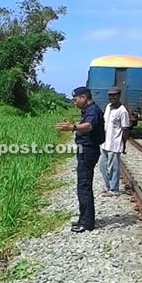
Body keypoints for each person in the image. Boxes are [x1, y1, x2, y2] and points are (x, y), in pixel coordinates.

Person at [55, 86, 104, 233]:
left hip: (88, 151)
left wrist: (73, 127)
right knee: (83, 186)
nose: (75, 102)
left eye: (76, 99)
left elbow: (89, 126)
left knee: (84, 186)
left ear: (84, 97)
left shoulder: (93, 111)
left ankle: (87, 222)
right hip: (86, 151)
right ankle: (84, 218)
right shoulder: (89, 110)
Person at [99, 86, 130, 196]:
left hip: (115, 143)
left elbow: (125, 129)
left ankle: (114, 189)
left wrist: (124, 145)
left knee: (113, 167)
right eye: (110, 95)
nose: (112, 97)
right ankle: (108, 186)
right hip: (104, 143)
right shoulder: (108, 107)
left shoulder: (123, 111)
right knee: (102, 166)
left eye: (114, 95)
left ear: (119, 96)